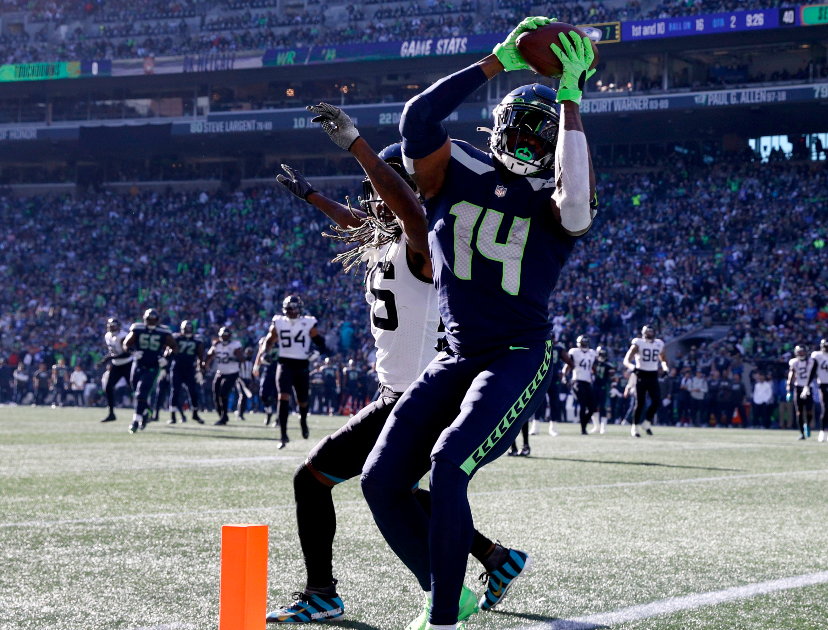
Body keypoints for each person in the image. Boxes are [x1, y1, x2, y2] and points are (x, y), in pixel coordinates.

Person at [353, 16, 598, 627]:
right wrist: (495, 61)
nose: (526, 141)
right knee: (380, 481)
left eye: (541, 136)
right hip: (458, 354)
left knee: (448, 465)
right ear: (498, 126)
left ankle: (441, 618)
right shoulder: (450, 170)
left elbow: (575, 203)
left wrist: (569, 100)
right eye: (519, 126)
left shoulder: (557, 197)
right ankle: (452, 592)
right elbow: (416, 121)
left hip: (518, 351)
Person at [266, 145, 519, 624]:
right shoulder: (382, 240)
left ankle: (415, 590)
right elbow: (354, 224)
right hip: (395, 394)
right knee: (395, 492)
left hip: (422, 397)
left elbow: (411, 219)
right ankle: (496, 558)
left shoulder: (425, 241)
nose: (374, 202)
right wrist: (313, 196)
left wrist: (366, 157)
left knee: (338, 482)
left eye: (386, 191)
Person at [255, 294, 330, 448]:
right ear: (285, 309)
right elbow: (269, 341)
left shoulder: (308, 322)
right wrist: (264, 353)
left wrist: (316, 354)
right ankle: (283, 435)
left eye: (295, 308)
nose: (293, 311)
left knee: (302, 400)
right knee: (283, 397)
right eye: (290, 308)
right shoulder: (279, 322)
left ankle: (303, 421)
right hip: (284, 363)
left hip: (302, 364)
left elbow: (321, 344)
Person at [122, 309, 177, 433]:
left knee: (141, 393)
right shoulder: (138, 328)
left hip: (153, 366)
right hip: (138, 364)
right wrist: (133, 352)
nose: (151, 322)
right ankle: (145, 412)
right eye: (149, 319)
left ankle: (136, 420)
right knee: (136, 391)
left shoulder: (164, 331)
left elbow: (174, 347)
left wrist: (166, 358)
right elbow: (126, 344)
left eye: (153, 320)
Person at [623, 325, 669, 438]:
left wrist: (665, 368)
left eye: (651, 332)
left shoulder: (659, 344)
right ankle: (635, 427)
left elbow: (663, 358)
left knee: (657, 401)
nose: (649, 335)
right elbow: (626, 360)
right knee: (640, 403)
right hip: (641, 374)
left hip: (653, 374)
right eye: (647, 333)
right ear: (643, 333)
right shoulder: (638, 343)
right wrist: (632, 368)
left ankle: (647, 422)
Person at [169, 320, 206, 424]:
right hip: (177, 367)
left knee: (193, 392)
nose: (188, 331)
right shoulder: (176, 337)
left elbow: (200, 356)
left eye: (189, 329)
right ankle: (173, 416)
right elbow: (168, 350)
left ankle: (195, 414)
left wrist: (200, 370)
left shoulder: (197, 339)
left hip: (190, 368)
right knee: (175, 391)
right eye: (186, 329)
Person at [207, 326, 245, 426]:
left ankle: (224, 417)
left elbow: (242, 358)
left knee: (223, 392)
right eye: (222, 336)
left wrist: (234, 358)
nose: (224, 338)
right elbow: (209, 356)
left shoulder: (235, 345)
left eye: (226, 336)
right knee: (215, 393)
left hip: (232, 372)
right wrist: (204, 365)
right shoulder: (217, 345)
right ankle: (222, 416)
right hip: (220, 372)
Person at [99, 318, 133, 422]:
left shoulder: (123, 336)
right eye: (110, 326)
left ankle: (146, 410)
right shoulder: (108, 336)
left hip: (127, 364)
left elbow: (127, 353)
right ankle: (111, 413)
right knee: (109, 387)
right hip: (117, 365)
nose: (112, 328)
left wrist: (111, 358)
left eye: (114, 326)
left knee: (134, 388)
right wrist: (104, 361)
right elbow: (113, 352)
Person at [567, 335, 597, 434]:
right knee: (583, 405)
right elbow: (569, 364)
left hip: (588, 382)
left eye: (585, 343)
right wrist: (564, 376)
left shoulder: (592, 353)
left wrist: (596, 375)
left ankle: (584, 424)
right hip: (578, 381)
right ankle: (583, 429)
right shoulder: (574, 352)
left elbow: (594, 368)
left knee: (592, 408)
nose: (584, 345)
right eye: (582, 343)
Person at [787, 346, 813, 439]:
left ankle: (807, 425)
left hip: (808, 387)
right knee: (799, 412)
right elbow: (791, 376)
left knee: (809, 411)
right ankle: (802, 433)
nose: (800, 354)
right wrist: (789, 390)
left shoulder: (811, 361)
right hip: (798, 387)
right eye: (799, 352)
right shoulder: (794, 362)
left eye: (802, 352)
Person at [590, 346, 614, 433]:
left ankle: (603, 427)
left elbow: (612, 377)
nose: (602, 355)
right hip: (594, 386)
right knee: (593, 406)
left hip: (603, 387)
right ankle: (596, 426)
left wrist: (613, 387)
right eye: (601, 353)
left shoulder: (608, 365)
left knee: (602, 406)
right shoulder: (593, 362)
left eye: (604, 353)